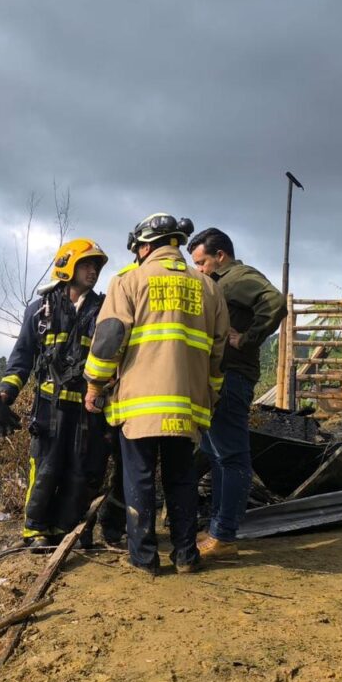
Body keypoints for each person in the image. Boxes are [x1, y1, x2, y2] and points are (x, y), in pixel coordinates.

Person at [84, 213, 228, 574]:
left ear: (145, 246)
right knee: (182, 479)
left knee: (140, 478)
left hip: (140, 405)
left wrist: (94, 385)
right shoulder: (209, 287)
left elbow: (109, 340)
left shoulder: (129, 282)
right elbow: (218, 351)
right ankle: (185, 555)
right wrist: (210, 394)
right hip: (188, 405)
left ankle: (145, 559)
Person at [0, 238, 126, 550]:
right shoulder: (39, 311)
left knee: (83, 471)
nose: (93, 270)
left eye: (96, 265)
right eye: (86, 264)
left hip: (89, 409)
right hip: (48, 409)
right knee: (45, 467)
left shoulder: (104, 309)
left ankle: (67, 529)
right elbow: (22, 357)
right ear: (67, 265)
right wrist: (5, 393)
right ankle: (35, 530)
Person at [188, 227, 286, 558]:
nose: (199, 269)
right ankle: (219, 528)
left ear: (220, 256)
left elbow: (275, 302)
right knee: (217, 454)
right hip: (219, 379)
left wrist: (244, 339)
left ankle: (225, 536)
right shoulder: (218, 282)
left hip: (233, 377)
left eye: (202, 262)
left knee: (231, 455)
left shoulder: (239, 276)